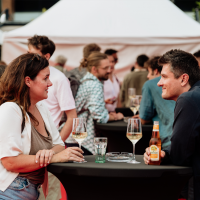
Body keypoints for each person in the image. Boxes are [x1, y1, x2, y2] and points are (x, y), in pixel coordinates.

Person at [0, 53, 83, 200]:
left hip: (29, 189)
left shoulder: (41, 107)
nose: (50, 83)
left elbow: (58, 145)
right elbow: (10, 161)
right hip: (10, 190)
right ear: (28, 81)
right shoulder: (10, 109)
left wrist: (47, 153)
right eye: (45, 78)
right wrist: (52, 158)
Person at [143, 49, 200, 200]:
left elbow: (180, 154)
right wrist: (166, 153)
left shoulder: (189, 99)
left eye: (163, 76)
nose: (159, 82)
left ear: (183, 79)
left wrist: (165, 155)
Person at [28, 35, 77, 200]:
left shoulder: (59, 79)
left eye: (32, 54)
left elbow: (72, 116)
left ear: (46, 56)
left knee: (50, 195)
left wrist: (55, 147)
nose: (28, 57)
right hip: (32, 152)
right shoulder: (28, 77)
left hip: (49, 149)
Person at [65, 52, 124, 155]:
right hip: (83, 140)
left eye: (109, 67)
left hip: (75, 136)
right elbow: (100, 116)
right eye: (105, 68)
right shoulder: (94, 85)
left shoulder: (87, 81)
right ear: (94, 69)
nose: (109, 70)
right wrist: (117, 117)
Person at [134, 56, 175, 149]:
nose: (148, 76)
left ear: (156, 71)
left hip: (168, 139)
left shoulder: (150, 84)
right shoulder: (178, 80)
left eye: (149, 71)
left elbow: (144, 118)